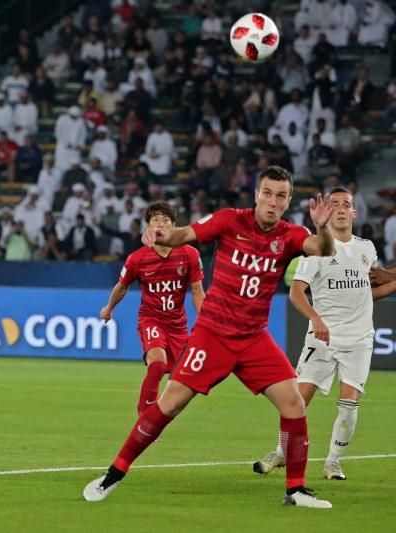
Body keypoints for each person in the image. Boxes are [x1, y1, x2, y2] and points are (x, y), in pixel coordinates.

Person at [83, 166, 337, 509]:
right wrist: (161, 237)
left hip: (253, 337)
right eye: (267, 193)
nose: (272, 201)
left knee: (293, 403)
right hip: (213, 333)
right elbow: (184, 235)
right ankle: (113, 473)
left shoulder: (291, 234)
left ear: (288, 200)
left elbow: (321, 248)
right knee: (170, 402)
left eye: (280, 196)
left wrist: (322, 226)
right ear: (256, 194)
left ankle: (296, 490)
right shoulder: (230, 220)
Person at [253, 187, 396, 480]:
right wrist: (316, 319)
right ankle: (281, 452)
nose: (342, 209)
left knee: (349, 402)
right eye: (336, 205)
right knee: (297, 400)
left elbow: (367, 291)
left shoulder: (366, 248)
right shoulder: (316, 248)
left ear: (355, 212)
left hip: (358, 339)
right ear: (328, 212)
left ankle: (333, 462)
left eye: (347, 205)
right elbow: (296, 292)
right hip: (322, 338)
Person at [100, 202, 205, 415]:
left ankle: (160, 416)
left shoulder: (189, 254)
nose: (161, 224)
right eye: (155, 220)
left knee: (185, 380)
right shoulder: (137, 259)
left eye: (166, 220)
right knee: (157, 365)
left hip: (178, 325)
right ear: (148, 226)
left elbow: (197, 291)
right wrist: (109, 308)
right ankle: (145, 416)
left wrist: (205, 322)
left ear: (175, 227)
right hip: (152, 320)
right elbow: (122, 287)